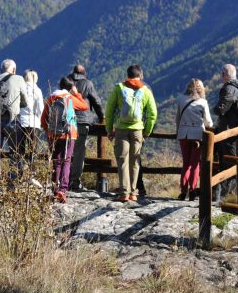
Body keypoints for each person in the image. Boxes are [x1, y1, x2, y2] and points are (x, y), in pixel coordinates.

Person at [104, 63, 157, 203]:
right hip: (137, 130)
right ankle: (133, 193)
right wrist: (146, 131)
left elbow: (109, 111)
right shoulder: (146, 90)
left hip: (121, 129)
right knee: (135, 161)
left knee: (122, 161)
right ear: (140, 75)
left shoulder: (119, 88)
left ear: (127, 75)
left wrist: (109, 130)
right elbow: (153, 114)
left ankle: (124, 193)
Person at [213, 63, 238, 200]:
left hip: (229, 131)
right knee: (232, 161)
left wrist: (214, 109)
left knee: (228, 162)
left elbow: (221, 109)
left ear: (224, 74)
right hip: (237, 131)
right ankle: (229, 194)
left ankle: (226, 195)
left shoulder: (229, 89)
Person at [67, 63, 106, 192]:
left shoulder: (66, 81)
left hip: (66, 120)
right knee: (79, 153)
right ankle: (74, 182)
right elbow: (96, 102)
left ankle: (62, 179)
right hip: (82, 122)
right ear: (84, 73)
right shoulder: (87, 84)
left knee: (65, 150)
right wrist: (102, 117)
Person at [43, 77, 79, 203]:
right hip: (69, 134)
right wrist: (76, 93)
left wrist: (48, 132)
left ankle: (54, 188)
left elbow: (44, 118)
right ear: (70, 87)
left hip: (53, 134)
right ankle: (62, 190)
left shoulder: (51, 98)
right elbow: (84, 106)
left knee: (56, 161)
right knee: (67, 160)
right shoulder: (70, 98)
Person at [176, 78, 212, 201]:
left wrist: (179, 132)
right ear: (201, 89)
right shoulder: (202, 102)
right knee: (195, 164)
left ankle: (182, 192)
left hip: (183, 134)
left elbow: (177, 118)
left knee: (186, 164)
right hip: (197, 136)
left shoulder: (180, 99)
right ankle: (192, 190)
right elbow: (208, 122)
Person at [18, 69, 45, 158]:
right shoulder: (37, 90)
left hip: (20, 121)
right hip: (34, 122)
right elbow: (40, 108)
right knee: (33, 149)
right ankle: (32, 169)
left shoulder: (20, 88)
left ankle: (19, 169)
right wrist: (39, 119)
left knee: (19, 148)